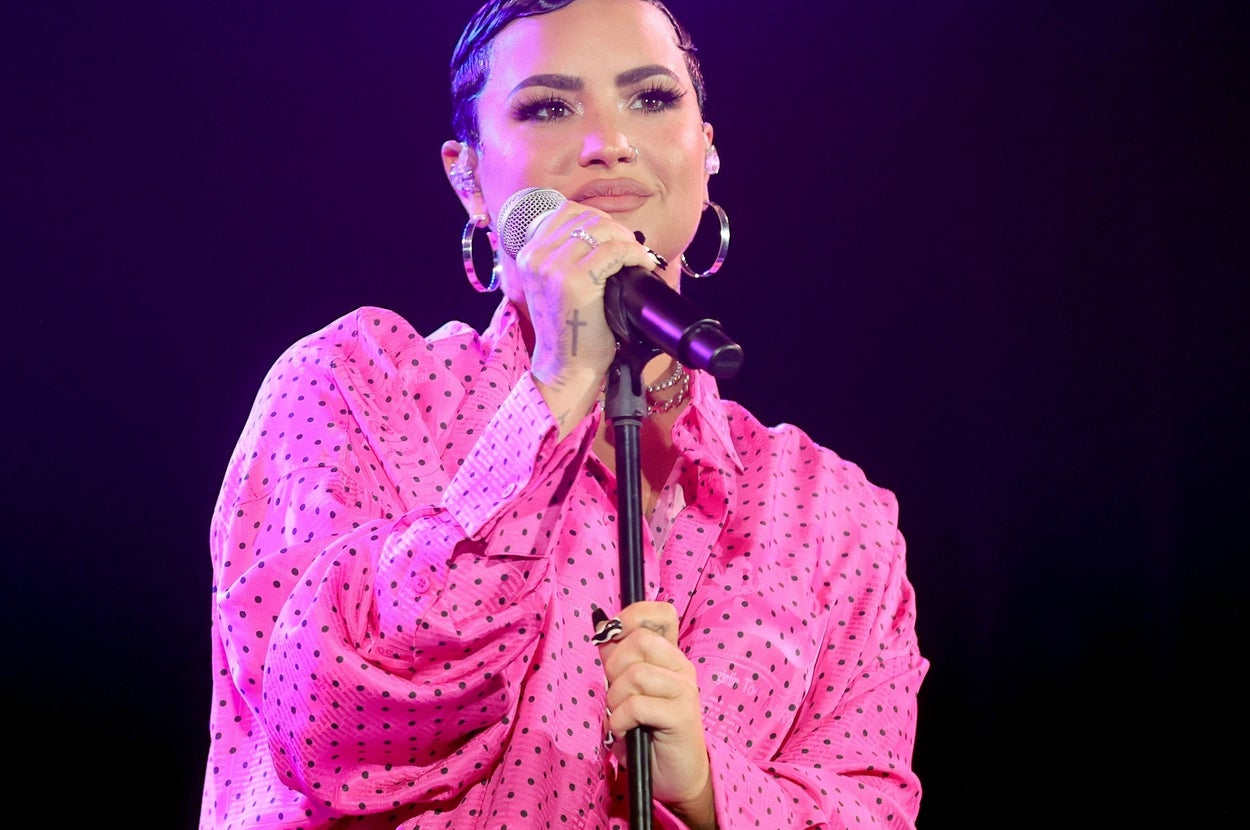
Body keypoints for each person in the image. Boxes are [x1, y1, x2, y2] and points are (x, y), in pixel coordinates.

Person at [199, 1, 928, 828]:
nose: (607, 142)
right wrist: (559, 379)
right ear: (468, 178)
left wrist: (707, 788)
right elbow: (330, 728)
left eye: (650, 99)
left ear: (707, 150)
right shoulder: (357, 390)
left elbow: (868, 804)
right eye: (548, 107)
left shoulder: (829, 516)